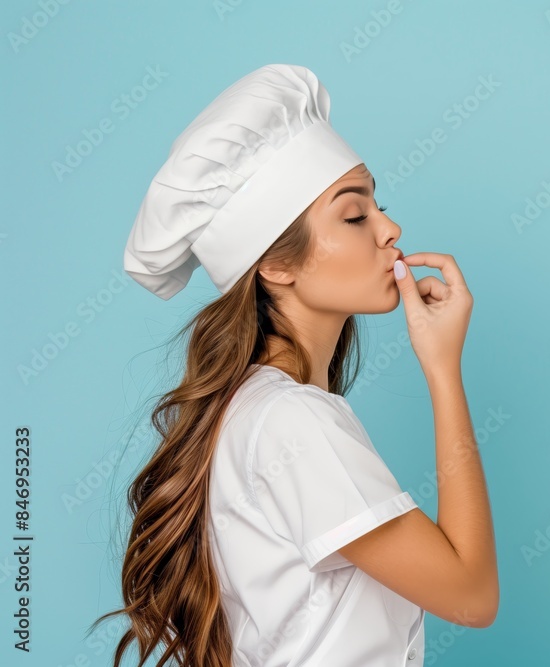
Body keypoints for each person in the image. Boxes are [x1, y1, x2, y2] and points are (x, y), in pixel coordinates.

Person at [91, 64, 498, 667]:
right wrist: (443, 371)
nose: (391, 230)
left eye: (378, 207)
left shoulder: (254, 410)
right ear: (276, 265)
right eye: (355, 216)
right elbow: (471, 597)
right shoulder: (292, 420)